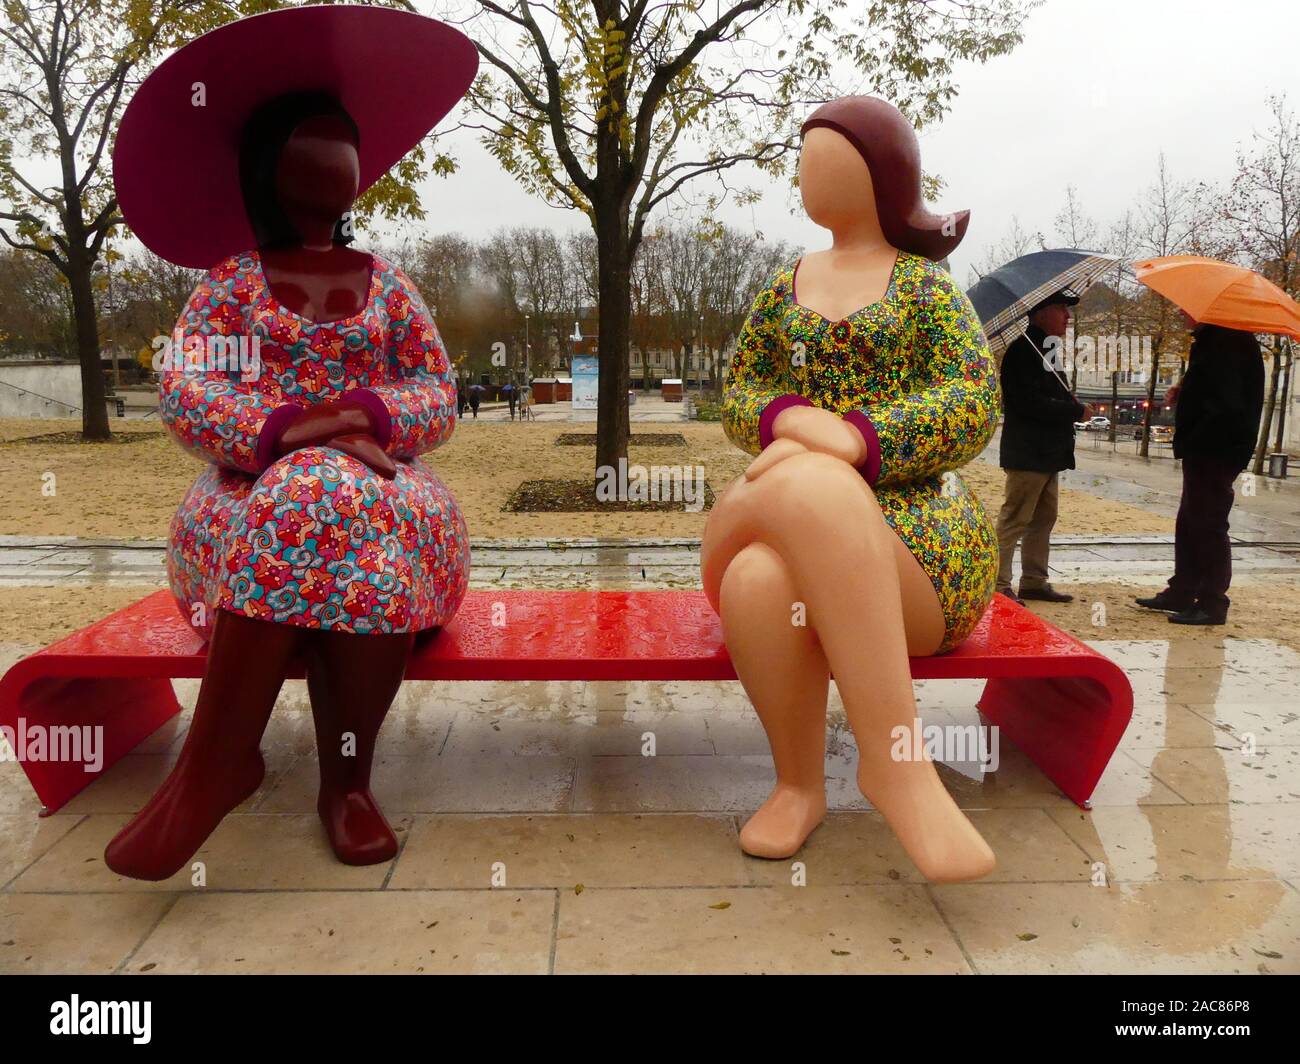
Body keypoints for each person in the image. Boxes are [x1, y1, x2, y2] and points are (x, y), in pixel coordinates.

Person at [104, 7, 476, 879]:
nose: (334, 157)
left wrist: (366, 422)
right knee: (310, 487)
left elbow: (438, 392)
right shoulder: (231, 287)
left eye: (341, 141)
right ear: (268, 168)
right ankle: (343, 786)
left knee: (335, 496)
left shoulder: (389, 285)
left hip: (390, 502)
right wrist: (292, 432)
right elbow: (186, 388)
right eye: (309, 143)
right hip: (245, 502)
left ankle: (230, 767)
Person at [705, 96, 999, 882]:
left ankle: (853, 776)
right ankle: (835, 777)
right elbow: (740, 390)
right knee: (778, 542)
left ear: (884, 174)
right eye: (802, 159)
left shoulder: (927, 290)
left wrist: (862, 439)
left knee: (772, 563)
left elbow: (974, 400)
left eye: (824, 156)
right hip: (790, 516)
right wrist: (792, 420)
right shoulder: (782, 287)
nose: (806, 172)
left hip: (918, 550)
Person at [1136, 314, 1265, 624]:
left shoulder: (1227, 342)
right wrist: (1186, 392)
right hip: (1209, 446)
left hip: (1216, 448)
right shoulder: (1216, 341)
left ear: (1208, 311)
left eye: (1186, 308)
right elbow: (1216, 392)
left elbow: (1226, 404)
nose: (1181, 313)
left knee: (1208, 522)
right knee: (1191, 518)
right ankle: (1182, 590)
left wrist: (1198, 433)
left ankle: (1211, 602)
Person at [994, 292, 1087, 604]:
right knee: (1015, 519)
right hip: (1028, 452)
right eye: (1062, 309)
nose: (1067, 316)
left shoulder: (1046, 349)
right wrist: (1074, 411)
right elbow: (1028, 403)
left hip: (1048, 453)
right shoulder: (1023, 351)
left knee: (1044, 519)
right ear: (1041, 312)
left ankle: (1034, 580)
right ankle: (998, 583)